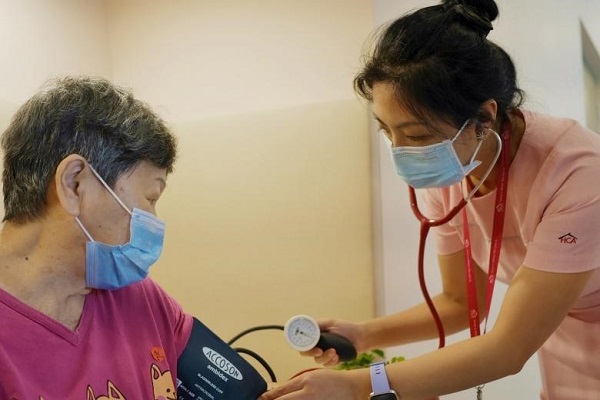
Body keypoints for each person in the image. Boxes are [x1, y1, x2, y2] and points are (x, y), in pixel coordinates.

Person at [260, 1, 600, 399]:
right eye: (387, 132)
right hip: (562, 349)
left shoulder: (578, 175)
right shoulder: (451, 170)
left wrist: (356, 387)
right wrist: (364, 333)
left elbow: (509, 348)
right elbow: (460, 301)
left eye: (417, 136)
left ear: (484, 118)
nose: (402, 151)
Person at [0, 76, 193, 398]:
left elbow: (240, 389)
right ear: (75, 184)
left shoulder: (139, 298)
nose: (154, 220)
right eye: (150, 198)